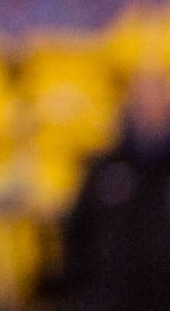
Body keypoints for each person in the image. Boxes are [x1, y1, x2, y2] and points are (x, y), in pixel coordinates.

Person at [60, 65, 170, 311]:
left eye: (157, 101)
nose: (150, 110)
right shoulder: (103, 168)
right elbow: (78, 232)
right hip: (109, 297)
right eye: (142, 101)